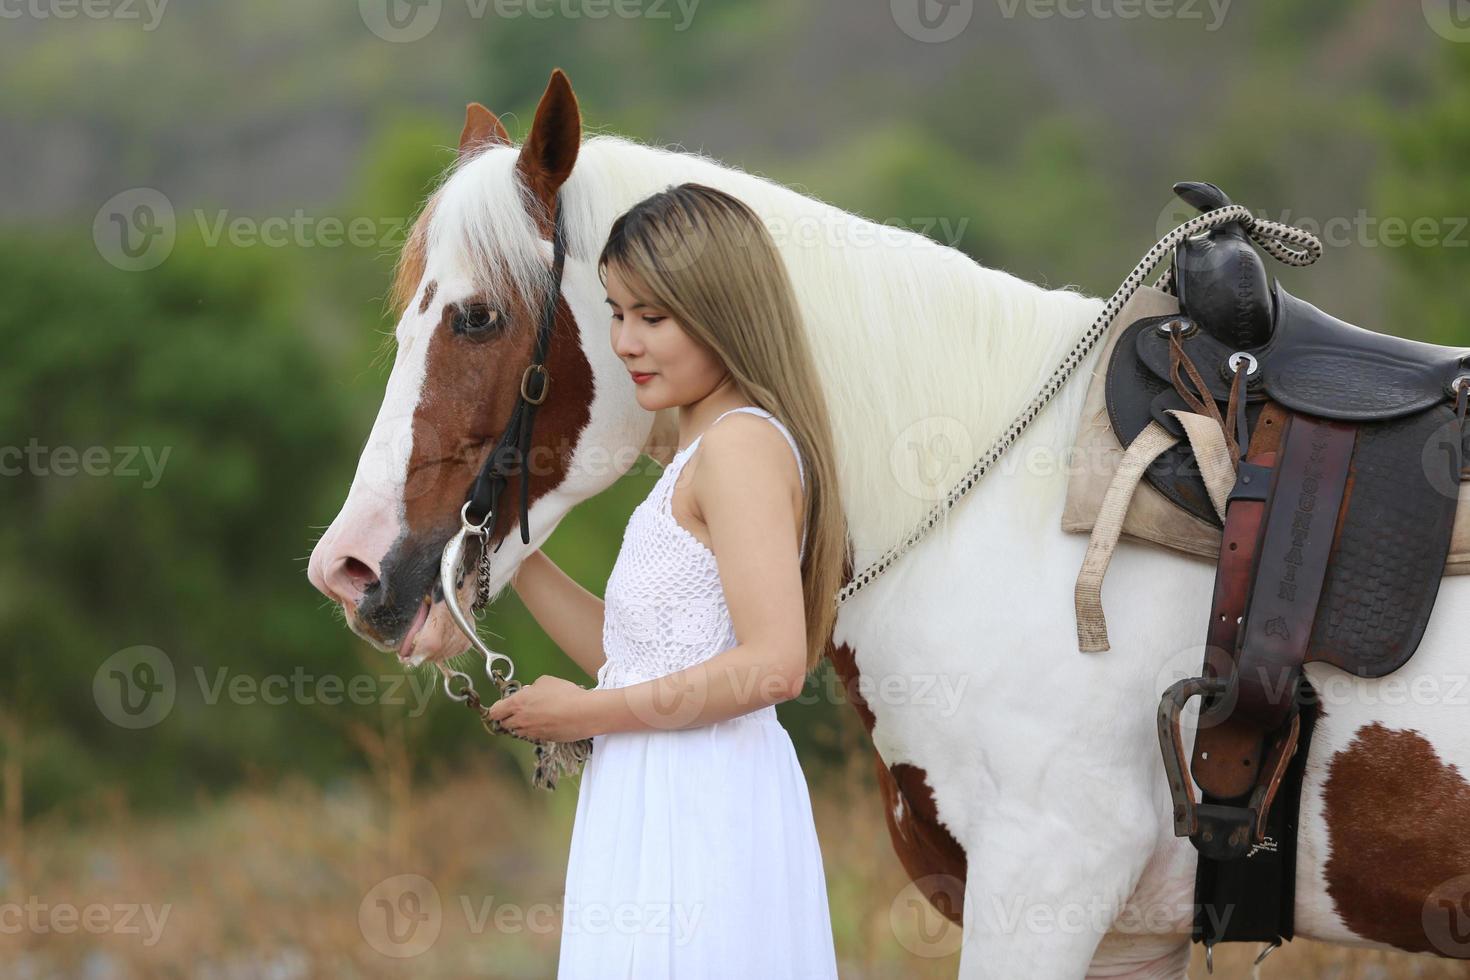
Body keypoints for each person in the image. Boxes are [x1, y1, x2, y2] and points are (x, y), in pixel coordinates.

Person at [486, 182, 846, 978]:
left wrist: (587, 713)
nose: (625, 342)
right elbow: (634, 654)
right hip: (656, 788)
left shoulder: (741, 449)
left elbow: (775, 662)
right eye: (617, 313)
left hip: (704, 799)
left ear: (724, 312)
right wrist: (513, 556)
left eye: (654, 317)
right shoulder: (696, 451)